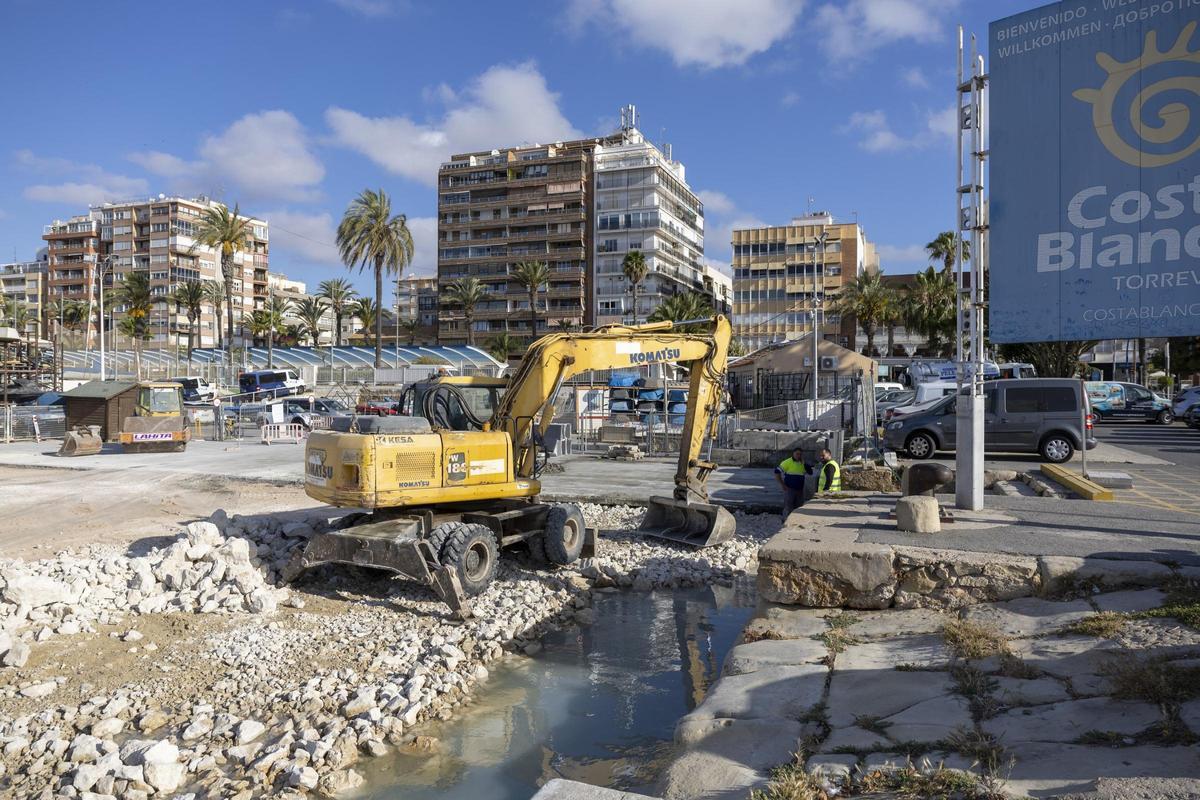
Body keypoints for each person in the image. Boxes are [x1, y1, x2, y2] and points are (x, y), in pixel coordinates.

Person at [774, 447, 809, 520]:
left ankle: (796, 522)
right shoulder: (787, 462)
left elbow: (810, 472)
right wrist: (782, 484)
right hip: (789, 489)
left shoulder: (802, 463)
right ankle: (785, 522)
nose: (798, 456)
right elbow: (777, 472)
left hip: (800, 490)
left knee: (799, 508)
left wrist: (804, 463)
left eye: (800, 454)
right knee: (788, 507)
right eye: (797, 454)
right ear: (793, 454)